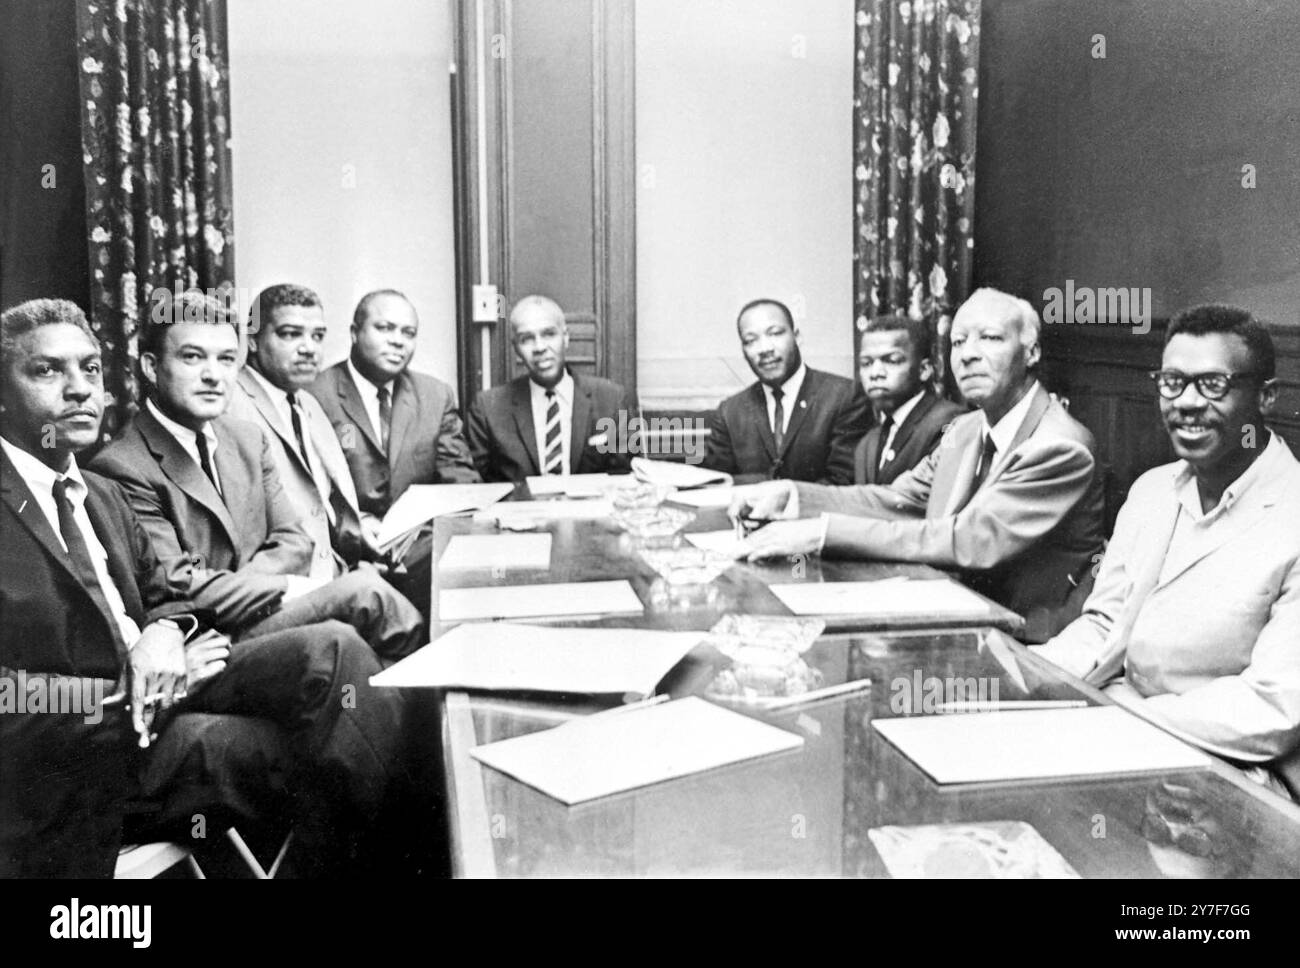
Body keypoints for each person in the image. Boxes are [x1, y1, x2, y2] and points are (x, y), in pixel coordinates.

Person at [0, 299, 406, 877]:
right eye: (46, 371)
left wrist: (165, 633)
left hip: (169, 710)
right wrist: (140, 691)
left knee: (338, 665)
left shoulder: (97, 495)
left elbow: (166, 595)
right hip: (78, 763)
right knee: (340, 744)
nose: (78, 389)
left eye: (90, 369)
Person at [730, 288, 1104, 642]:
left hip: (1026, 643)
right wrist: (792, 496)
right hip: (957, 615)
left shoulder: (1059, 446)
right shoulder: (965, 428)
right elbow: (898, 500)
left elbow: (969, 539)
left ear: (1032, 352)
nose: (968, 354)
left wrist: (820, 533)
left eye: (989, 338)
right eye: (958, 342)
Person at [1032, 304, 1300, 798]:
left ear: (1265, 398)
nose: (1187, 403)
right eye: (1172, 382)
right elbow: (1103, 623)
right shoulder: (1154, 490)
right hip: (1119, 721)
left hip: (1230, 765)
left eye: (1213, 384)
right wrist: (1031, 677)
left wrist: (1115, 720)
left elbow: (1271, 707)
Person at [89, 292, 423, 661]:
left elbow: (294, 538)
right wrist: (282, 587)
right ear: (151, 367)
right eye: (192, 357)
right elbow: (178, 586)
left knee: (366, 629)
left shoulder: (247, 438)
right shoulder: (120, 465)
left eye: (226, 359)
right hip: (208, 640)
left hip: (262, 612)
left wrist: (252, 589)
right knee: (366, 594)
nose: (213, 375)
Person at [227, 284, 376, 577]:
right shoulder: (229, 402)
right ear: (253, 341)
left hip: (335, 566)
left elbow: (323, 498)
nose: (309, 348)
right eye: (290, 334)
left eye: (317, 336)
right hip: (276, 580)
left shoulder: (307, 403)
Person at [312, 289, 480, 540]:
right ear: (354, 333)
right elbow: (308, 494)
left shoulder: (435, 395)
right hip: (345, 545)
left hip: (420, 543)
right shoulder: (315, 395)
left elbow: (460, 483)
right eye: (384, 328)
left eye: (408, 333)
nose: (398, 341)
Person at [466, 295, 639, 484]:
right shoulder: (488, 408)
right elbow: (476, 489)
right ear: (515, 347)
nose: (540, 347)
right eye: (527, 339)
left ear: (566, 337)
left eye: (549, 334)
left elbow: (625, 478)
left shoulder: (611, 400)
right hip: (521, 511)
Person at [702, 298, 871, 484]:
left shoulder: (844, 396)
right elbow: (718, 483)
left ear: (797, 336)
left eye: (775, 333)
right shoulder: (730, 411)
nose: (765, 349)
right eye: (750, 341)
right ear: (743, 350)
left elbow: (844, 481)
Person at [853, 313, 965, 484]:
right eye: (866, 363)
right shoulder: (867, 443)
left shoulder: (950, 422)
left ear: (924, 370)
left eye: (892, 360)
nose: (875, 373)